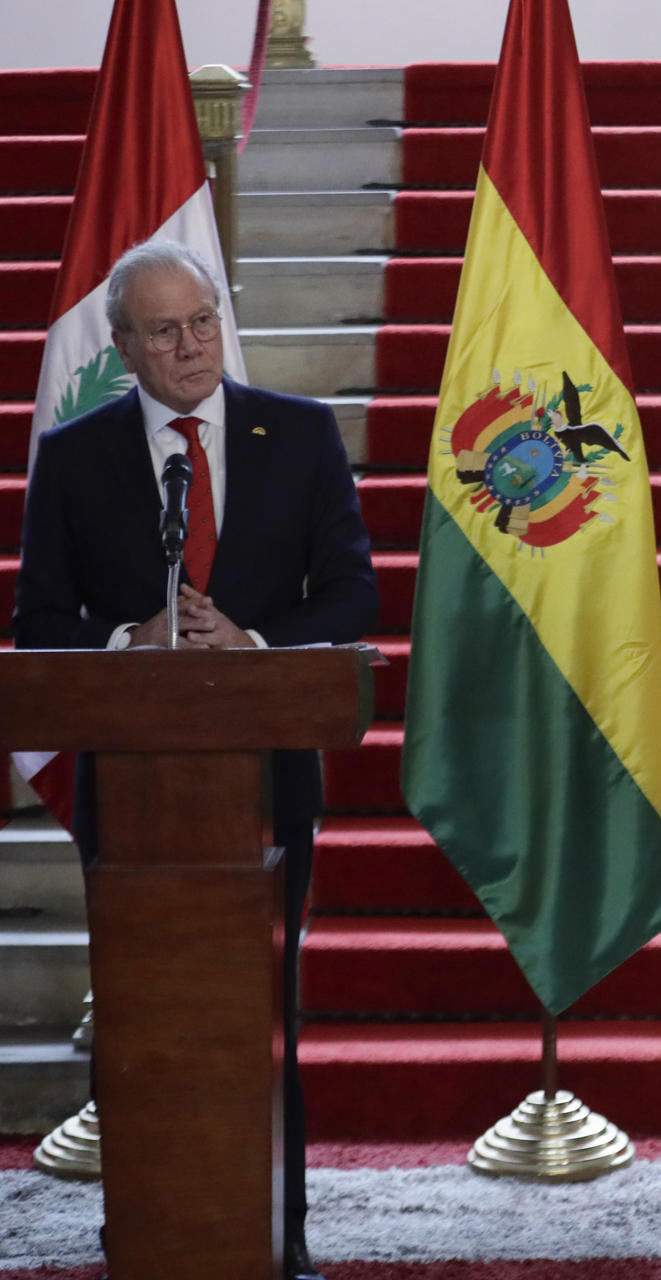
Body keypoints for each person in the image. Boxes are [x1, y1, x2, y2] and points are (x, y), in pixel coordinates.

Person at [13, 238, 378, 1280]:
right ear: (122, 344)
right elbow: (40, 617)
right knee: (148, 1012)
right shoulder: (77, 455)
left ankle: (283, 1230)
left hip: (266, 779)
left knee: (268, 1005)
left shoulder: (298, 436)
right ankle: (150, 1223)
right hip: (134, 792)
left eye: (204, 321)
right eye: (165, 331)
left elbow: (354, 595)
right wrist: (137, 641)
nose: (190, 346)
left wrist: (248, 644)